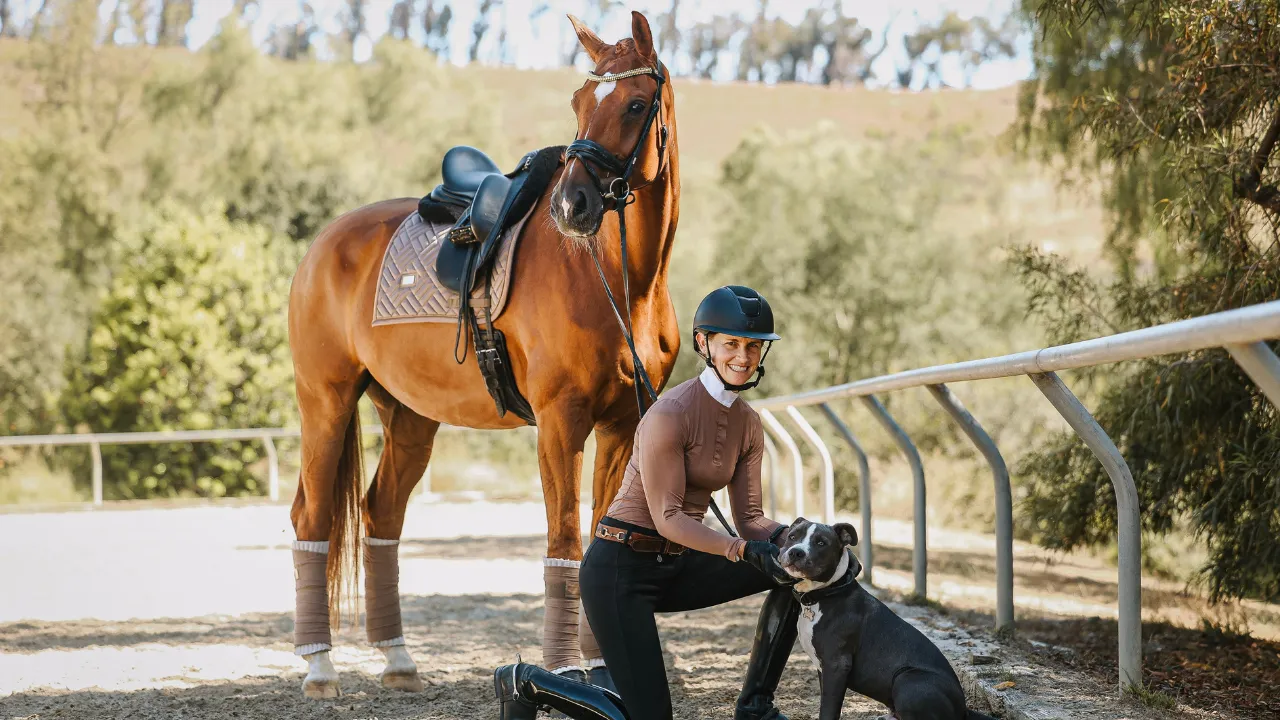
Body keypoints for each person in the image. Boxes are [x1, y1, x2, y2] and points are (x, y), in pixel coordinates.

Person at [494, 286, 800, 720]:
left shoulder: (749, 424)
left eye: (753, 346)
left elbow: (749, 519)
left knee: (793, 568)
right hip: (621, 569)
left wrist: (795, 538)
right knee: (649, 718)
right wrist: (744, 550)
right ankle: (526, 682)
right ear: (703, 343)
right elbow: (670, 518)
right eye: (731, 343)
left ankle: (755, 705)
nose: (743, 356)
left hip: (677, 565)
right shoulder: (670, 413)